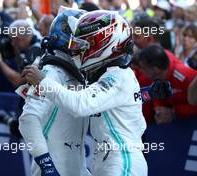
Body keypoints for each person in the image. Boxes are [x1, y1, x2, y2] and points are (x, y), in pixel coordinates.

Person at [23, 10, 148, 176]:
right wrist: (148, 94)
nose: (78, 50)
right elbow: (27, 119)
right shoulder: (104, 74)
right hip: (102, 163)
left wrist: (42, 81)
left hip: (121, 162)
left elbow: (80, 104)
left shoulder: (116, 75)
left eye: (85, 44)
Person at [18, 8, 90, 176]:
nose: (88, 45)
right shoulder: (51, 73)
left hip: (78, 169)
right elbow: (28, 119)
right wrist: (47, 167)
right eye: (83, 40)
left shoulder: (77, 73)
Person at [138, 45, 197, 123]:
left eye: (143, 68)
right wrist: (159, 107)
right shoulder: (158, 71)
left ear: (155, 70)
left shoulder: (185, 76)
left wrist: (173, 111)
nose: (141, 71)